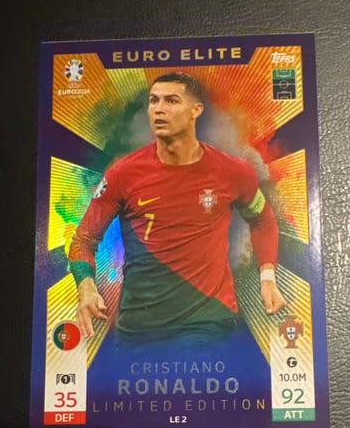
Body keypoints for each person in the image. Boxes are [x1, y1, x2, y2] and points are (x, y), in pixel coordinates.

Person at [69, 72, 287, 354]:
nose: (159, 109)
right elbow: (84, 239)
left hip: (208, 320)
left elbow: (262, 219)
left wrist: (267, 278)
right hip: (137, 328)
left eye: (171, 101)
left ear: (196, 110)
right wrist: (86, 286)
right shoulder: (123, 173)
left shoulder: (234, 171)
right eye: (154, 101)